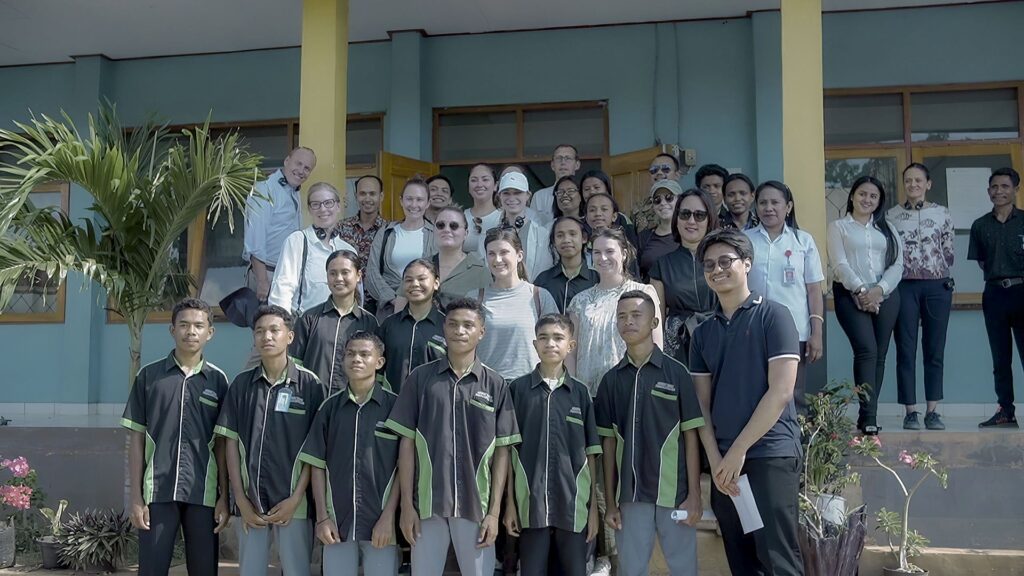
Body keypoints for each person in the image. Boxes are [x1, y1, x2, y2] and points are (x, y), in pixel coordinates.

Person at [689, 229, 804, 576]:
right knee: (743, 563)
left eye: (726, 261)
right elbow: (701, 407)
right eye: (709, 264)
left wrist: (737, 451)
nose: (717, 269)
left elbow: (780, 392)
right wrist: (717, 461)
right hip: (726, 467)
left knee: (779, 560)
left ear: (747, 264)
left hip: (769, 454)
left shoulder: (775, 315)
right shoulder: (702, 332)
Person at [385, 298, 521, 576]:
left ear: (481, 332)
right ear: (443, 328)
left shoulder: (495, 384)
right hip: (427, 505)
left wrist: (494, 512)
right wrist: (407, 507)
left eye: (468, 325)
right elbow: (406, 444)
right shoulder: (420, 379)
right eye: (453, 324)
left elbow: (503, 453)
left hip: (476, 507)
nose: (460, 330)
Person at [596, 291, 704, 576]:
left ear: (655, 321)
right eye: (621, 316)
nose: (628, 322)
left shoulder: (677, 373)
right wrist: (610, 502)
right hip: (630, 498)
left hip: (675, 496)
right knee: (632, 570)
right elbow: (607, 447)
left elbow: (691, 438)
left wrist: (694, 495)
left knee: (684, 570)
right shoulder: (610, 381)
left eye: (636, 315)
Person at [122, 298, 230, 576]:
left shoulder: (218, 381)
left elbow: (222, 444)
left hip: (203, 492)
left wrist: (224, 497)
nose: (190, 331)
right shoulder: (150, 377)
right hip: (157, 491)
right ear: (172, 330)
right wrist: (135, 498)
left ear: (210, 332)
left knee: (204, 569)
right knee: (152, 569)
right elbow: (136, 438)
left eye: (198, 325)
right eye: (183, 325)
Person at [215, 305, 325, 576]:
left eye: (274, 330)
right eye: (260, 331)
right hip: (250, 502)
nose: (267, 337)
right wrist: (239, 498)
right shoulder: (241, 385)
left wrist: (297, 497)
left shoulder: (310, 385)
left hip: (294, 504)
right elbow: (230, 442)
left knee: (296, 570)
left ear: (290, 336)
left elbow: (315, 449)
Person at [504, 314, 601, 576]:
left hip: (574, 505)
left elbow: (591, 454)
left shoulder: (581, 393)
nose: (550, 344)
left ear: (571, 345)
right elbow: (509, 452)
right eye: (544, 338)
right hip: (530, 505)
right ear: (535, 344)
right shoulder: (518, 390)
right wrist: (510, 504)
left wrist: (593, 510)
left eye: (558, 338)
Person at [299, 332, 400, 576]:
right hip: (337, 525)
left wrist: (388, 518)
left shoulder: (396, 407)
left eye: (365, 354)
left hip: (381, 524)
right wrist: (323, 518)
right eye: (350, 354)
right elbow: (317, 465)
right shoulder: (329, 408)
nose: (356, 359)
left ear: (379, 362)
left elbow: (403, 469)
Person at [827, 175, 903, 435]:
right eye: (862, 194)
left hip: (886, 294)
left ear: (879, 201)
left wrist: (879, 291)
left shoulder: (888, 228)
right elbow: (839, 264)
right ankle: (867, 414)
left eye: (873, 196)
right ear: (852, 196)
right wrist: (862, 291)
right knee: (866, 350)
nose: (867, 199)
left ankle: (868, 416)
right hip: (850, 294)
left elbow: (898, 264)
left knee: (879, 354)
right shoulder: (839, 227)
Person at [745, 181, 825, 415]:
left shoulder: (803, 241)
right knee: (756, 390)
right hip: (752, 328)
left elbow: (813, 290)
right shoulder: (744, 240)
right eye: (763, 203)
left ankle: (794, 446)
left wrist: (816, 332)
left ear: (788, 207)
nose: (768, 208)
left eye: (775, 202)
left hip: (794, 330)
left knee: (793, 393)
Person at [888, 163, 954, 430]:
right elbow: (889, 252)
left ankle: (932, 410)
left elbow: (949, 251)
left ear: (928, 184)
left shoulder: (942, 213)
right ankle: (910, 410)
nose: (913, 185)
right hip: (904, 286)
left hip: (937, 286)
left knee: (934, 349)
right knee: (905, 348)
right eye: (908, 180)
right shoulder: (892, 215)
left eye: (918, 180)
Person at [568, 228, 664, 394]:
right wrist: (571, 391)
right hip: (589, 392)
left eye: (610, 251)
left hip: (632, 388)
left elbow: (656, 346)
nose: (603, 257)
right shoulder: (579, 301)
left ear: (624, 254)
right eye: (597, 252)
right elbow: (571, 352)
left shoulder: (644, 293)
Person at [969, 167, 1024, 428]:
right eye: (994, 187)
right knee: (1000, 358)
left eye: (1004, 186)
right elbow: (982, 261)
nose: (999, 191)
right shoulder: (980, 225)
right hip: (994, 294)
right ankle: (1006, 411)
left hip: (1022, 291)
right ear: (988, 191)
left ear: (1015, 189)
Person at [476, 227, 559, 381]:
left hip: (530, 387)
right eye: (491, 254)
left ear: (519, 255)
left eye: (504, 252)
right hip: (486, 386)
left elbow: (556, 345)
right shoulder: (476, 297)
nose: (497, 259)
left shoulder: (540, 296)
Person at [290, 250, 379, 392]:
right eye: (333, 273)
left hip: (350, 405)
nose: (338, 278)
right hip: (312, 401)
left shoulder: (369, 322)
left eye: (345, 272)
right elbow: (294, 364)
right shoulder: (309, 318)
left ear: (358, 276)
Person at [649, 189, 719, 364]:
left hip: (720, 335)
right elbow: (657, 318)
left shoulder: (723, 260)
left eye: (699, 215)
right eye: (685, 214)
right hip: (677, 343)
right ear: (676, 219)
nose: (691, 221)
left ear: (709, 219)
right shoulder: (662, 265)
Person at [269, 182, 358, 314]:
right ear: (310, 209)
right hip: (305, 327)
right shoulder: (298, 241)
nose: (323, 209)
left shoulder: (348, 250)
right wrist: (283, 327)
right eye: (316, 204)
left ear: (338, 206)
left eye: (328, 203)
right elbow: (282, 290)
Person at [243, 147, 317, 302]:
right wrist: (262, 280)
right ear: (286, 161)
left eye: (307, 168)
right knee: (267, 326)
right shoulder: (264, 189)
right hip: (267, 274)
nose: (301, 171)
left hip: (285, 274)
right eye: (298, 164)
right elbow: (255, 239)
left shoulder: (293, 191)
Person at [366, 178, 438, 319]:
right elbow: (372, 272)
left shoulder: (435, 234)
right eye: (409, 199)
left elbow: (439, 272)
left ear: (428, 203)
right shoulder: (386, 232)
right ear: (401, 201)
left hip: (424, 307)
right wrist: (393, 299)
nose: (414, 204)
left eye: (419, 200)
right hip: (388, 310)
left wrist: (414, 298)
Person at [378, 259, 447, 393]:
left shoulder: (447, 326)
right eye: (409, 280)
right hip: (395, 405)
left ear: (436, 283)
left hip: (433, 406)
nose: (415, 284)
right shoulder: (389, 325)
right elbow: (378, 370)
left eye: (422, 279)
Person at [478, 171, 554, 281]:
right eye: (506, 193)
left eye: (517, 193)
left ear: (528, 195)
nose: (511, 198)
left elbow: (546, 270)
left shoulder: (542, 234)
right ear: (499, 196)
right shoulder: (487, 234)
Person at [534, 217, 598, 314]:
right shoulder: (543, 280)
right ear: (554, 242)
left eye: (572, 234)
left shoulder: (597, 279)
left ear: (584, 238)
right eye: (560, 236)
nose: (566, 240)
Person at [432, 206, 491, 308]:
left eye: (454, 226)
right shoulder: (419, 268)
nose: (446, 230)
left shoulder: (480, 272)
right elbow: (400, 312)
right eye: (440, 225)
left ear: (466, 233)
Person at [338, 175, 389, 270]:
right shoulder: (341, 227)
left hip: (377, 284)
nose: (367, 199)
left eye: (372, 194)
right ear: (356, 195)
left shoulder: (389, 231)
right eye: (362, 194)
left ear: (381, 196)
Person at [637, 180, 682, 280]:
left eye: (669, 198)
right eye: (657, 200)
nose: (663, 203)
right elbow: (635, 272)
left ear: (680, 200)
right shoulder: (643, 237)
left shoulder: (689, 233)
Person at [580, 171, 638, 243]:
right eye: (586, 189)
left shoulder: (622, 219)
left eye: (596, 187)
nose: (592, 192)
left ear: (607, 190)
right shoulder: (578, 224)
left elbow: (633, 248)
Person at [634, 152, 684, 232]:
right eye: (654, 170)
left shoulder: (687, 203)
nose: (659, 173)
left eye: (666, 169)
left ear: (677, 175)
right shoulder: (638, 208)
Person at [531, 144, 581, 224]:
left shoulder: (582, 192)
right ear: (552, 165)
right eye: (559, 158)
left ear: (577, 165)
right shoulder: (539, 196)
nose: (563, 162)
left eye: (568, 158)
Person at [464, 163, 501, 252]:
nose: (479, 184)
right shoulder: (460, 217)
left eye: (485, 179)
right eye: (474, 180)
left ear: (495, 185)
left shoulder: (503, 217)